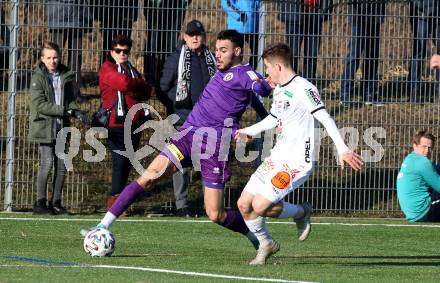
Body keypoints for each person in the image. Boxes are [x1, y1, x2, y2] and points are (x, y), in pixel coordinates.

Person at [81, 30, 270, 250]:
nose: (217, 55)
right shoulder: (222, 69)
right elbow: (253, 101)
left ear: (237, 52)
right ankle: (103, 226)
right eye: (217, 49)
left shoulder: (246, 74)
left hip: (213, 147)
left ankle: (259, 238)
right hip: (187, 136)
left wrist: (269, 91)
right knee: (148, 177)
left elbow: (261, 90)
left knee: (215, 214)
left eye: (223, 50)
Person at [235, 43, 363, 265]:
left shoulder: (305, 88)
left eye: (267, 67)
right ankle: (266, 244)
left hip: (296, 163)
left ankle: (301, 212)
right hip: (276, 158)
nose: (266, 73)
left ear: (278, 66)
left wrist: (342, 149)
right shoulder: (281, 89)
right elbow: (274, 118)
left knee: (260, 206)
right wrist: (248, 131)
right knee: (244, 204)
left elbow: (325, 118)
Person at [159, 20, 216, 217]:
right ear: (184, 36)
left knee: (208, 162)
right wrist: (177, 105)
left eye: (198, 34)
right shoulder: (176, 58)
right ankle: (182, 204)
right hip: (182, 120)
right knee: (180, 162)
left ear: (204, 36)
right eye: (190, 34)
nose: (194, 38)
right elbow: (163, 87)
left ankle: (210, 204)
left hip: (208, 120)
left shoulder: (212, 59)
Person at [28, 41, 89, 214]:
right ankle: (40, 203)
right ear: (42, 59)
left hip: (62, 127)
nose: (52, 61)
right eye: (48, 57)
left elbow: (69, 99)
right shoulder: (38, 78)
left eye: (55, 57)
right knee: (46, 163)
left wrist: (76, 111)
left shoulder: (65, 75)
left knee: (61, 165)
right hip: (44, 126)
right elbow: (40, 104)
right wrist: (65, 110)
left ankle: (56, 202)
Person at [99, 35, 151, 210]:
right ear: (111, 51)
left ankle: (120, 202)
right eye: (118, 51)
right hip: (116, 123)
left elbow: (147, 90)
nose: (122, 54)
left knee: (127, 163)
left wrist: (135, 84)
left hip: (134, 123)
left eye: (125, 51)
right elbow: (122, 83)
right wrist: (137, 84)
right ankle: (114, 204)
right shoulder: (107, 68)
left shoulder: (130, 68)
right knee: (120, 162)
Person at [340, 1, 385, 107]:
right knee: (354, 56)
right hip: (359, 14)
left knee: (372, 56)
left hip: (375, 14)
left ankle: (369, 93)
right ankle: (345, 94)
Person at [278, 0, 333, 85]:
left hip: (315, 13)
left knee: (312, 54)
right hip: (294, 12)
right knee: (293, 53)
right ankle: (290, 84)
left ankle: (307, 86)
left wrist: (325, 12)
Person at [47, 0, 93, 87]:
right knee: (72, 55)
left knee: (55, 54)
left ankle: (55, 86)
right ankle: (72, 88)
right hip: (76, 12)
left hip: (60, 12)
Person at [397, 130, 440, 222]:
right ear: (415, 146)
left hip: (413, 213)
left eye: (430, 148)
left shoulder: (410, 158)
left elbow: (435, 169)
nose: (427, 151)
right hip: (424, 212)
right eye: (424, 147)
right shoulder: (423, 162)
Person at [408, 0, 440, 103]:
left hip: (438, 15)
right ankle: (414, 91)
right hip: (421, 15)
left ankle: (438, 91)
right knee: (418, 52)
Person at [221, 0, 260, 69]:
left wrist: (258, 23)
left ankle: (248, 73)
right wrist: (239, 14)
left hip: (253, 28)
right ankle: (233, 73)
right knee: (235, 54)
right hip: (237, 27)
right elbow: (227, 2)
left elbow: (259, 5)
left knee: (258, 52)